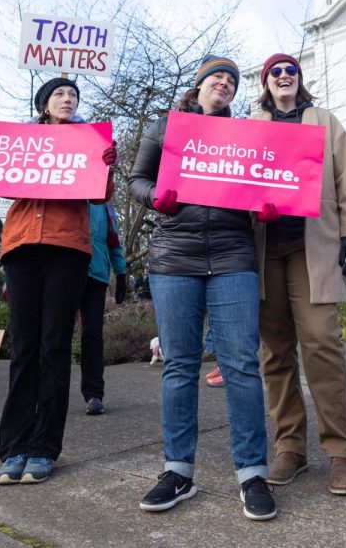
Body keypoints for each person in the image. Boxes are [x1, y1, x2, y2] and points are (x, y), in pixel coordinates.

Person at [129, 56, 276, 521]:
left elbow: (269, 182)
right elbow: (136, 179)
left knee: (241, 366)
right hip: (175, 257)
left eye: (233, 80)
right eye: (217, 75)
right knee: (179, 366)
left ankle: (252, 473)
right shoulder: (164, 128)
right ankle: (177, 471)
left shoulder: (250, 136)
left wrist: (269, 205)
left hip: (233, 256)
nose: (225, 83)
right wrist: (154, 197)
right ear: (198, 86)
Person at [0, 78, 116, 486]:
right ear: (45, 104)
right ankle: (14, 447)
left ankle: (44, 447)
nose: (68, 99)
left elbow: (100, 196)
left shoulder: (88, 140)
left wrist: (106, 165)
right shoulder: (20, 141)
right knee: (24, 346)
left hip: (68, 248)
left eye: (74, 96)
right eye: (60, 94)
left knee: (55, 346)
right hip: (22, 245)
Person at [252, 52, 346, 495]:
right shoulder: (251, 124)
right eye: (275, 72)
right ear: (266, 82)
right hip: (264, 248)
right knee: (275, 352)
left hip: (311, 245)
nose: (284, 77)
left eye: (291, 71)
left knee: (321, 343)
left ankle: (341, 452)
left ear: (300, 80)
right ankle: (290, 448)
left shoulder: (324, 121)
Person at [77, 202, 127, 415]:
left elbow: (113, 238)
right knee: (54, 332)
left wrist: (121, 271)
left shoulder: (106, 205)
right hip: (67, 266)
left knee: (93, 334)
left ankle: (94, 393)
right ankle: (47, 393)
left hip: (96, 273)